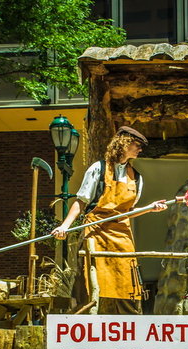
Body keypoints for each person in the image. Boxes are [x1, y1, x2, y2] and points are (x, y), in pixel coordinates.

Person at [51, 126, 167, 315]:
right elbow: (81, 202)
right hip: (95, 231)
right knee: (89, 281)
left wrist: (150, 208)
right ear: (124, 143)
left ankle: (130, 325)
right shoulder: (99, 169)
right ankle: (84, 322)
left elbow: (127, 212)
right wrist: (64, 226)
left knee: (127, 282)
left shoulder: (136, 178)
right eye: (137, 145)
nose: (140, 150)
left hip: (122, 235)